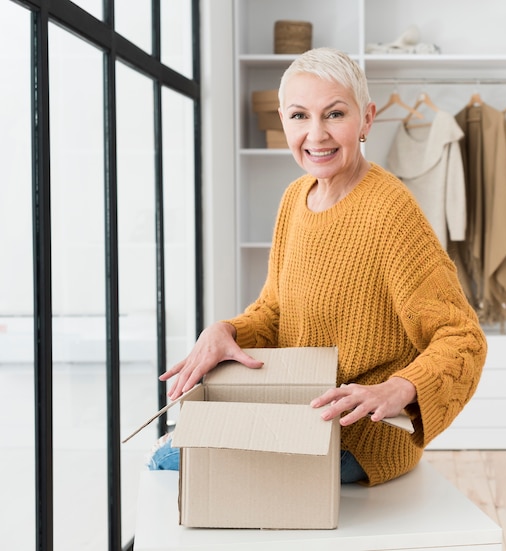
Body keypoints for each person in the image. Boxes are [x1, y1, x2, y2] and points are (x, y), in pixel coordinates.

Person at [150, 47, 487, 486]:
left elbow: (462, 337)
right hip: (298, 416)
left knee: (165, 463)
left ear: (366, 119)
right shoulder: (295, 198)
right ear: (282, 119)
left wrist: (401, 388)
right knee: (168, 448)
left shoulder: (390, 211)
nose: (316, 134)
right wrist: (225, 331)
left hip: (362, 435)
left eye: (334, 114)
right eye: (299, 116)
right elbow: (274, 313)